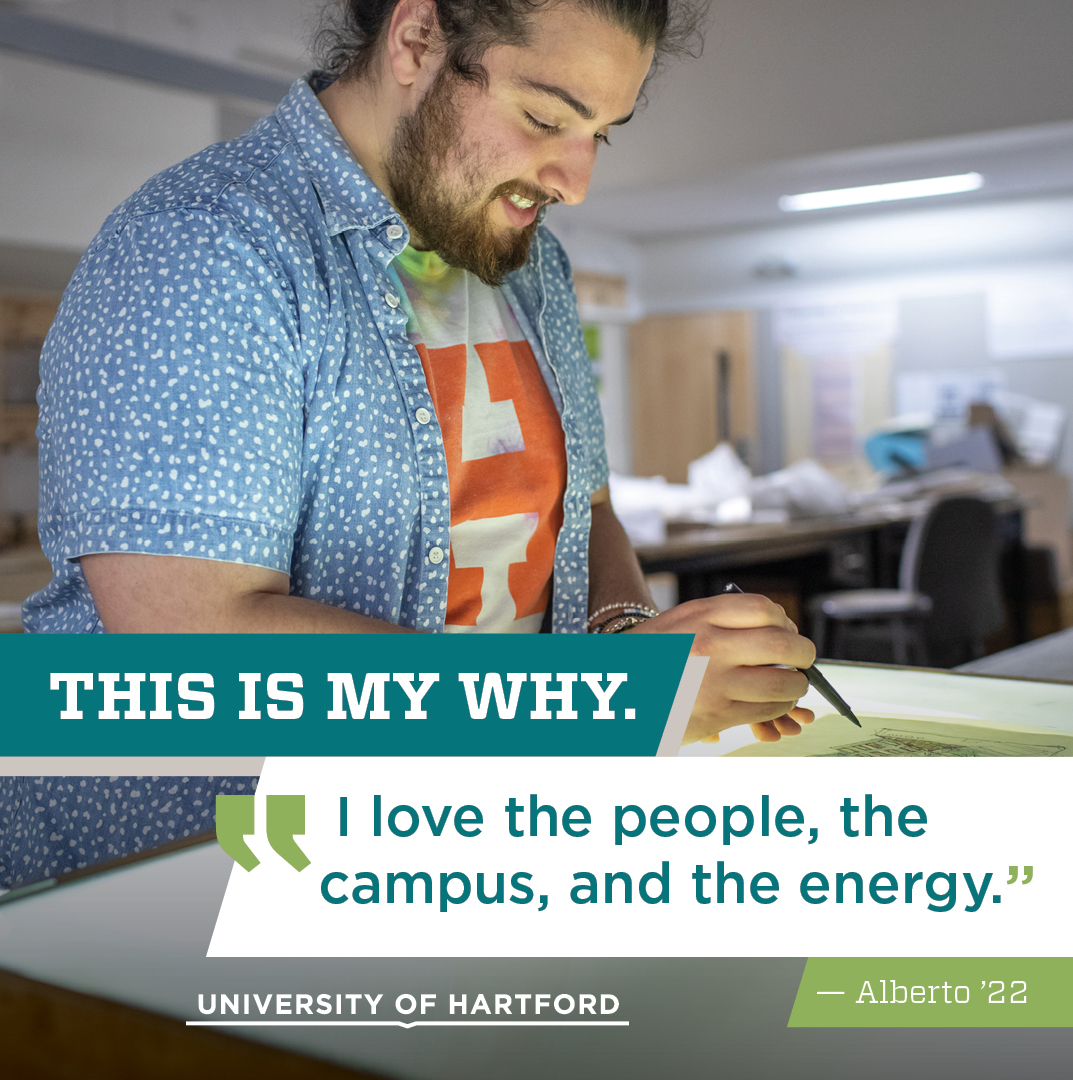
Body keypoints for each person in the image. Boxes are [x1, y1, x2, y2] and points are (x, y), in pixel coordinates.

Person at [25, 0, 814, 742]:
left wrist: (632, 639)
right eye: (545, 118)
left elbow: (588, 508)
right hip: (225, 853)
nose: (575, 182)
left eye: (600, 134)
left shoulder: (533, 266)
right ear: (415, 41)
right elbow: (191, 653)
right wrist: (607, 699)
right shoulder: (205, 246)